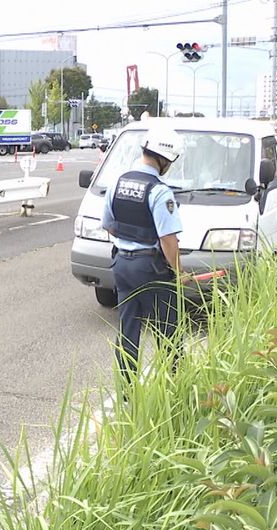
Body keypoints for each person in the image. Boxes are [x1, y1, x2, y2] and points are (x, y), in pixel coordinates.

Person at [101, 127, 188, 385]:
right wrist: (179, 272)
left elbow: (108, 224)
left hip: (122, 266)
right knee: (168, 329)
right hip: (151, 268)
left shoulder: (118, 182)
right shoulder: (159, 192)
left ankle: (127, 393)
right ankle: (174, 387)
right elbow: (168, 240)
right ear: (164, 159)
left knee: (128, 330)